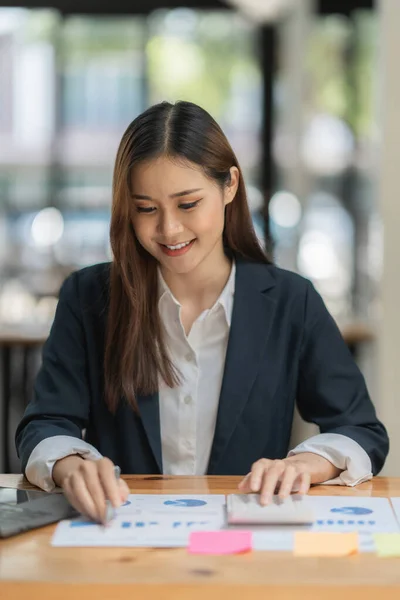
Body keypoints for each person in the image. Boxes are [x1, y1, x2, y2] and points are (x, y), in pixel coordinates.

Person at [15, 101, 388, 525]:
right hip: (122, 539)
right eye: (146, 208)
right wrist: (71, 464)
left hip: (246, 544)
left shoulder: (290, 301)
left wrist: (305, 465)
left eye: (188, 204)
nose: (169, 229)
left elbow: (361, 430)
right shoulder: (88, 297)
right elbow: (44, 424)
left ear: (229, 186)